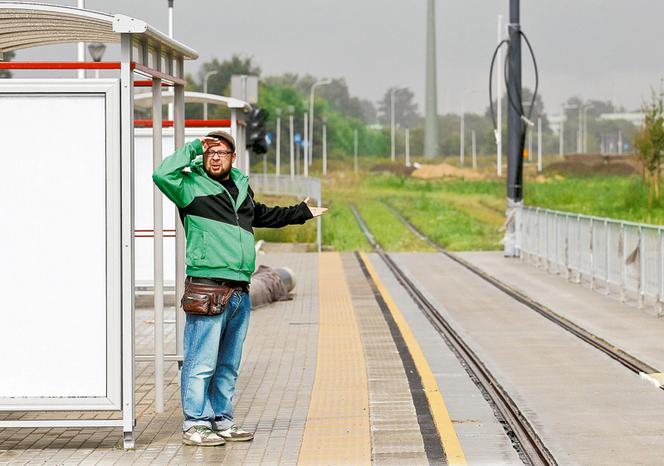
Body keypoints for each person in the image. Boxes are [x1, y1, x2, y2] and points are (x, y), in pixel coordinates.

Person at [152, 130, 326, 447]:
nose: (215, 157)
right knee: (200, 361)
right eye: (210, 152)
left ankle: (222, 420)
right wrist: (193, 147)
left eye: (222, 152)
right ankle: (195, 424)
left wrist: (300, 212)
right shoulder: (188, 186)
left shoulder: (241, 187)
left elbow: (259, 214)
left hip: (239, 290)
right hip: (207, 287)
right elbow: (161, 173)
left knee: (228, 364)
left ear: (233, 157)